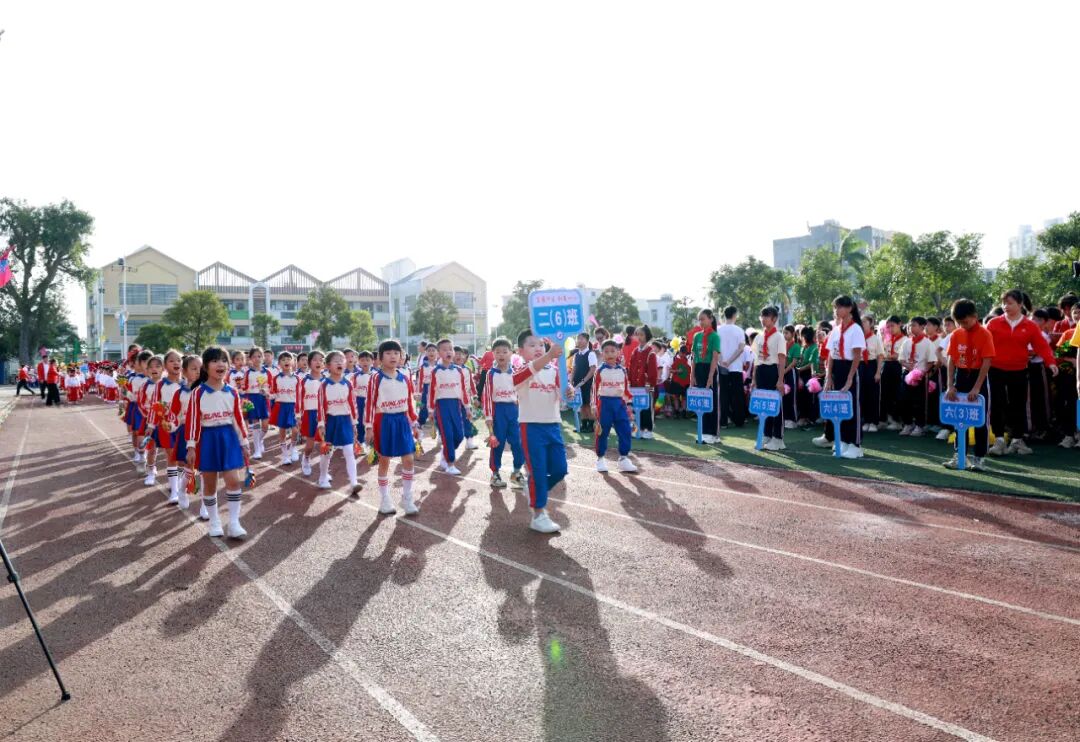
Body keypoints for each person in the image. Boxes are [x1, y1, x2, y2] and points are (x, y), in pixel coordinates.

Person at [185, 346, 250, 539]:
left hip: (229, 438)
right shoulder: (198, 393)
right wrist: (191, 446)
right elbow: (193, 421)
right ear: (205, 367)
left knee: (233, 480)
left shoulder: (232, 392)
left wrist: (244, 442)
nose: (220, 364)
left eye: (223, 360)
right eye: (214, 361)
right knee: (210, 483)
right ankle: (214, 522)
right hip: (207, 439)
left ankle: (234, 523)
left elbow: (238, 419)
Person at [986, 289, 1057, 455]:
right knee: (997, 404)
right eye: (1004, 303)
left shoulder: (1030, 326)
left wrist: (1051, 363)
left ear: (1020, 304)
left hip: (1019, 370)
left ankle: (1017, 440)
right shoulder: (993, 323)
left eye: (1010, 303)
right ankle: (999, 440)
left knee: (1018, 405)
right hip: (995, 369)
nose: (1006, 306)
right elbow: (984, 343)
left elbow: (1042, 346)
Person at [512, 329, 568, 533]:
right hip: (531, 427)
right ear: (520, 351)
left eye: (541, 345)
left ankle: (534, 489)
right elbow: (519, 379)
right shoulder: (520, 371)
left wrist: (568, 392)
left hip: (552, 425)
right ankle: (538, 515)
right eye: (532, 345)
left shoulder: (554, 370)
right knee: (537, 470)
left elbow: (563, 394)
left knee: (560, 469)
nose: (538, 348)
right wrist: (549, 355)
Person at [364, 340, 420, 515]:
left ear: (401, 357)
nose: (393, 356)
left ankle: (407, 498)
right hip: (384, 421)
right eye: (388, 353)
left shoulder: (405, 378)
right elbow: (370, 403)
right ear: (380, 358)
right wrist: (368, 427)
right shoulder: (376, 378)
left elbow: (410, 403)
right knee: (384, 460)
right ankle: (385, 499)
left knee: (409, 459)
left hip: (402, 421)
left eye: (396, 353)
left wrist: (414, 422)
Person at [943, 299, 995, 471]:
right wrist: (950, 385)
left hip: (978, 376)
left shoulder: (985, 334)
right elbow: (951, 359)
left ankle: (979, 458)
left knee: (980, 419)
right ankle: (960, 455)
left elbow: (987, 361)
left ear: (975, 316)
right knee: (959, 418)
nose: (962, 325)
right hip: (961, 376)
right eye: (959, 322)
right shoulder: (956, 334)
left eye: (965, 322)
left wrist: (977, 387)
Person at [814, 296, 865, 459]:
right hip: (836, 369)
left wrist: (850, 378)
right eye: (835, 307)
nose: (836, 310)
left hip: (850, 368)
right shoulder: (836, 329)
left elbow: (857, 355)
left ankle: (855, 445)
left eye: (839, 307)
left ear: (849, 308)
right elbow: (831, 355)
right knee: (839, 406)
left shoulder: (856, 329)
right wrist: (829, 376)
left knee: (852, 406)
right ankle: (842, 440)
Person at [316, 350, 362, 495]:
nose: (340, 363)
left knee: (349, 451)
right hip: (330, 421)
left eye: (342, 360)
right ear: (328, 366)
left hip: (345, 421)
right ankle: (322, 477)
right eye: (336, 361)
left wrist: (354, 423)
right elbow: (320, 406)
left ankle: (354, 483)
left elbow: (352, 404)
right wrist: (321, 424)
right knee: (327, 453)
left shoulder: (348, 383)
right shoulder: (324, 385)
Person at [482, 337, 527, 489]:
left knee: (518, 442)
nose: (501, 355)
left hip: (514, 412)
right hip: (498, 412)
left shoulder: (517, 372)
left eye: (504, 352)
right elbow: (487, 396)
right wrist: (489, 416)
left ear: (511, 353)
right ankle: (495, 474)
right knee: (497, 443)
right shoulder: (490, 374)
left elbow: (522, 392)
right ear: (493, 354)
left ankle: (516, 473)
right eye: (497, 352)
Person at [429, 338, 474, 475]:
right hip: (442, 406)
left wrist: (467, 407)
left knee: (459, 435)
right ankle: (450, 464)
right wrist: (431, 410)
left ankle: (446, 452)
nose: (448, 352)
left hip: (456, 405)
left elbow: (463, 391)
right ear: (439, 353)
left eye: (451, 349)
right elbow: (432, 392)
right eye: (444, 350)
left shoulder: (459, 371)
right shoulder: (435, 371)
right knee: (447, 435)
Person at [593, 339, 638, 473]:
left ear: (618, 352)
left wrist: (629, 404)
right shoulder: (599, 370)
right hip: (604, 404)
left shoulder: (622, 370)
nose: (610, 354)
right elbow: (594, 389)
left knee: (625, 430)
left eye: (613, 351)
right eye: (606, 351)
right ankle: (600, 458)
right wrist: (594, 405)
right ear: (602, 354)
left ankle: (623, 459)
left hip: (619, 404)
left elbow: (626, 389)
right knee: (602, 431)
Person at [751, 307, 787, 451]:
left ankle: (778, 438)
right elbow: (756, 359)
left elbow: (782, 359)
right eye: (762, 316)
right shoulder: (758, 337)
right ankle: (766, 434)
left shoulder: (779, 337)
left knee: (775, 404)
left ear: (774, 319)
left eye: (767, 316)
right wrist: (754, 379)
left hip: (773, 370)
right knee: (763, 404)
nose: (763, 319)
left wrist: (780, 380)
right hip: (761, 370)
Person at [170, 354, 201, 511]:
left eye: (201, 368)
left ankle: (205, 505)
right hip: (186, 431)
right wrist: (170, 425)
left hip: (205, 431)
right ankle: (182, 490)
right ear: (184, 372)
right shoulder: (179, 393)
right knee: (189, 464)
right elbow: (174, 415)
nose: (198, 372)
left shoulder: (207, 390)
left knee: (205, 467)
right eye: (194, 368)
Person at [898, 317, 935, 437]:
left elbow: (931, 361)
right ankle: (908, 424)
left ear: (922, 326)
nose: (910, 328)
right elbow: (901, 359)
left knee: (919, 401)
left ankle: (920, 425)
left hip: (920, 376)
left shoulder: (927, 343)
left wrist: (921, 372)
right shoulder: (907, 342)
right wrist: (907, 366)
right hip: (907, 374)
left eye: (914, 325)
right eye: (910, 325)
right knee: (904, 400)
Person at [690, 309, 721, 443]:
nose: (701, 322)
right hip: (699, 369)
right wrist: (692, 375)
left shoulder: (715, 336)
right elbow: (694, 357)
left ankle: (712, 434)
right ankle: (703, 431)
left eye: (703, 319)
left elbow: (715, 357)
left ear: (711, 319)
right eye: (699, 319)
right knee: (701, 401)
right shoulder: (697, 336)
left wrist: (710, 376)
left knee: (711, 401)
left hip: (710, 369)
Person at [717, 306, 747, 429]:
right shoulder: (739, 330)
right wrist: (729, 361)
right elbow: (741, 349)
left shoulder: (718, 330)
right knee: (737, 395)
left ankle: (723, 421)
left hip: (722, 367)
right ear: (735, 315)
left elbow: (716, 349)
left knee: (723, 394)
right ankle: (739, 420)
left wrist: (722, 361)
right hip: (735, 367)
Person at [271, 352, 302, 467]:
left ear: (293, 362)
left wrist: (298, 411)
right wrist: (267, 395)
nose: (286, 361)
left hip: (293, 406)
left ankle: (292, 449)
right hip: (281, 406)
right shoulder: (276, 378)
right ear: (279, 363)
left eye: (289, 359)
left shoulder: (297, 378)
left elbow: (299, 396)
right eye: (283, 360)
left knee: (295, 430)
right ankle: (285, 455)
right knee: (282, 431)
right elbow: (274, 394)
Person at [298, 351, 325, 477]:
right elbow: (299, 399)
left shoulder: (328, 380)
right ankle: (306, 458)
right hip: (310, 414)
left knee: (326, 444)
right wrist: (298, 416)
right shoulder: (304, 381)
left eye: (321, 360)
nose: (318, 362)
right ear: (309, 363)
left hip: (325, 415)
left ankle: (324, 471)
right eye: (315, 360)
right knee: (310, 445)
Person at [628, 325, 658, 439]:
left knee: (647, 408)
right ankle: (639, 429)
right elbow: (631, 368)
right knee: (636, 408)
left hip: (646, 386)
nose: (639, 337)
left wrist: (649, 384)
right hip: (635, 387)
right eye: (637, 335)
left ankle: (648, 430)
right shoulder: (635, 351)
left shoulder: (651, 352)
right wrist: (629, 382)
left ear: (647, 336)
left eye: (641, 335)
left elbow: (653, 371)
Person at [242, 347, 271, 460]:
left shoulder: (267, 372)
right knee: (255, 425)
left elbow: (271, 387)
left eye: (259, 356)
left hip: (263, 400)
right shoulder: (248, 373)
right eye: (254, 356)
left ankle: (260, 440)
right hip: (252, 399)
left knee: (265, 426)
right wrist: (244, 398)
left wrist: (266, 392)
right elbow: (243, 388)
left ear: (263, 357)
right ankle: (257, 450)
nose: (257, 359)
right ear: (250, 359)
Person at [859, 316, 885, 434]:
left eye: (865, 322)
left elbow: (880, 356)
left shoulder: (876, 339)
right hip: (860, 366)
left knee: (873, 395)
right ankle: (866, 420)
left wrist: (878, 372)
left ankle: (874, 422)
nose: (862, 323)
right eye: (861, 322)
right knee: (862, 394)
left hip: (871, 365)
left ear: (871, 324)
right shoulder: (858, 337)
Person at [570, 332, 598, 433]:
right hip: (577, 383)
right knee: (581, 404)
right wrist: (571, 381)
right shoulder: (576, 355)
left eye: (582, 339)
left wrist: (584, 380)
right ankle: (583, 425)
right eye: (578, 339)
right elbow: (574, 369)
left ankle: (591, 425)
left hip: (588, 383)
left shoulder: (591, 354)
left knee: (588, 404)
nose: (579, 341)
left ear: (587, 341)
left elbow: (592, 369)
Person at [880, 316, 905, 430]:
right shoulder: (887, 339)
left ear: (900, 324)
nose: (890, 329)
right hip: (887, 367)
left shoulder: (905, 339)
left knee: (897, 394)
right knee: (885, 393)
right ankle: (886, 419)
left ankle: (897, 420)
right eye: (888, 327)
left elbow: (899, 356)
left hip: (898, 367)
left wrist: (889, 356)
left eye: (892, 326)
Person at [795, 326, 819, 428]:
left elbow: (811, 363)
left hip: (809, 375)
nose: (800, 337)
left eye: (802, 335)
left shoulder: (814, 347)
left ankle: (808, 418)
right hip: (800, 374)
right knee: (801, 397)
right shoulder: (802, 347)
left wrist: (799, 369)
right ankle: (802, 417)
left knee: (807, 397)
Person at [352, 351, 374, 454]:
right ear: (358, 362)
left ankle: (373, 447)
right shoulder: (355, 376)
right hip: (359, 402)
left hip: (372, 403)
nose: (365, 362)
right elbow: (352, 391)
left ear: (372, 361)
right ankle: (360, 445)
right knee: (360, 423)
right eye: (362, 360)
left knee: (372, 424)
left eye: (367, 360)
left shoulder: (375, 375)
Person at [780, 324, 800, 429]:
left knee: (792, 396)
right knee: (783, 396)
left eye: (786, 333)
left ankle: (793, 420)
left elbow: (794, 362)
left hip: (790, 372)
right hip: (782, 371)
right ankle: (785, 418)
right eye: (783, 332)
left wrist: (784, 371)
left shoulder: (796, 346)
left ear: (792, 334)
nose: (784, 335)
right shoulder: (782, 345)